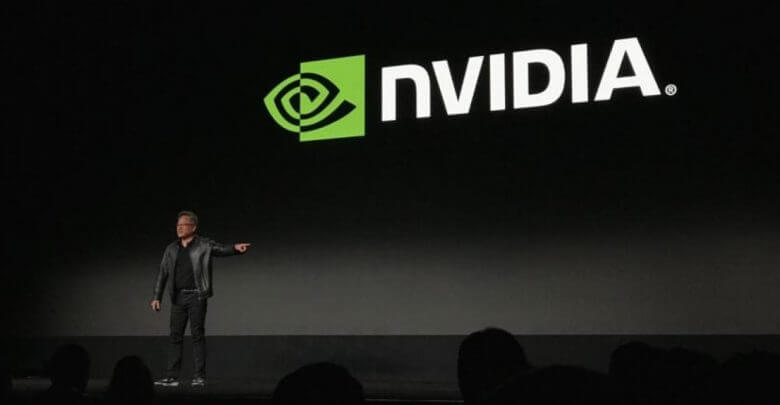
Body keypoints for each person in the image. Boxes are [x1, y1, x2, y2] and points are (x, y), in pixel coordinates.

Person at [150, 211, 250, 387]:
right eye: (178, 225)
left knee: (197, 336)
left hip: (197, 296)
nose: (179, 228)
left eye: (183, 225)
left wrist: (235, 249)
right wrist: (156, 296)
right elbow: (163, 272)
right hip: (178, 297)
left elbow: (220, 249)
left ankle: (199, 377)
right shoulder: (171, 248)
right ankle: (172, 377)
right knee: (175, 336)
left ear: (193, 227)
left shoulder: (204, 244)